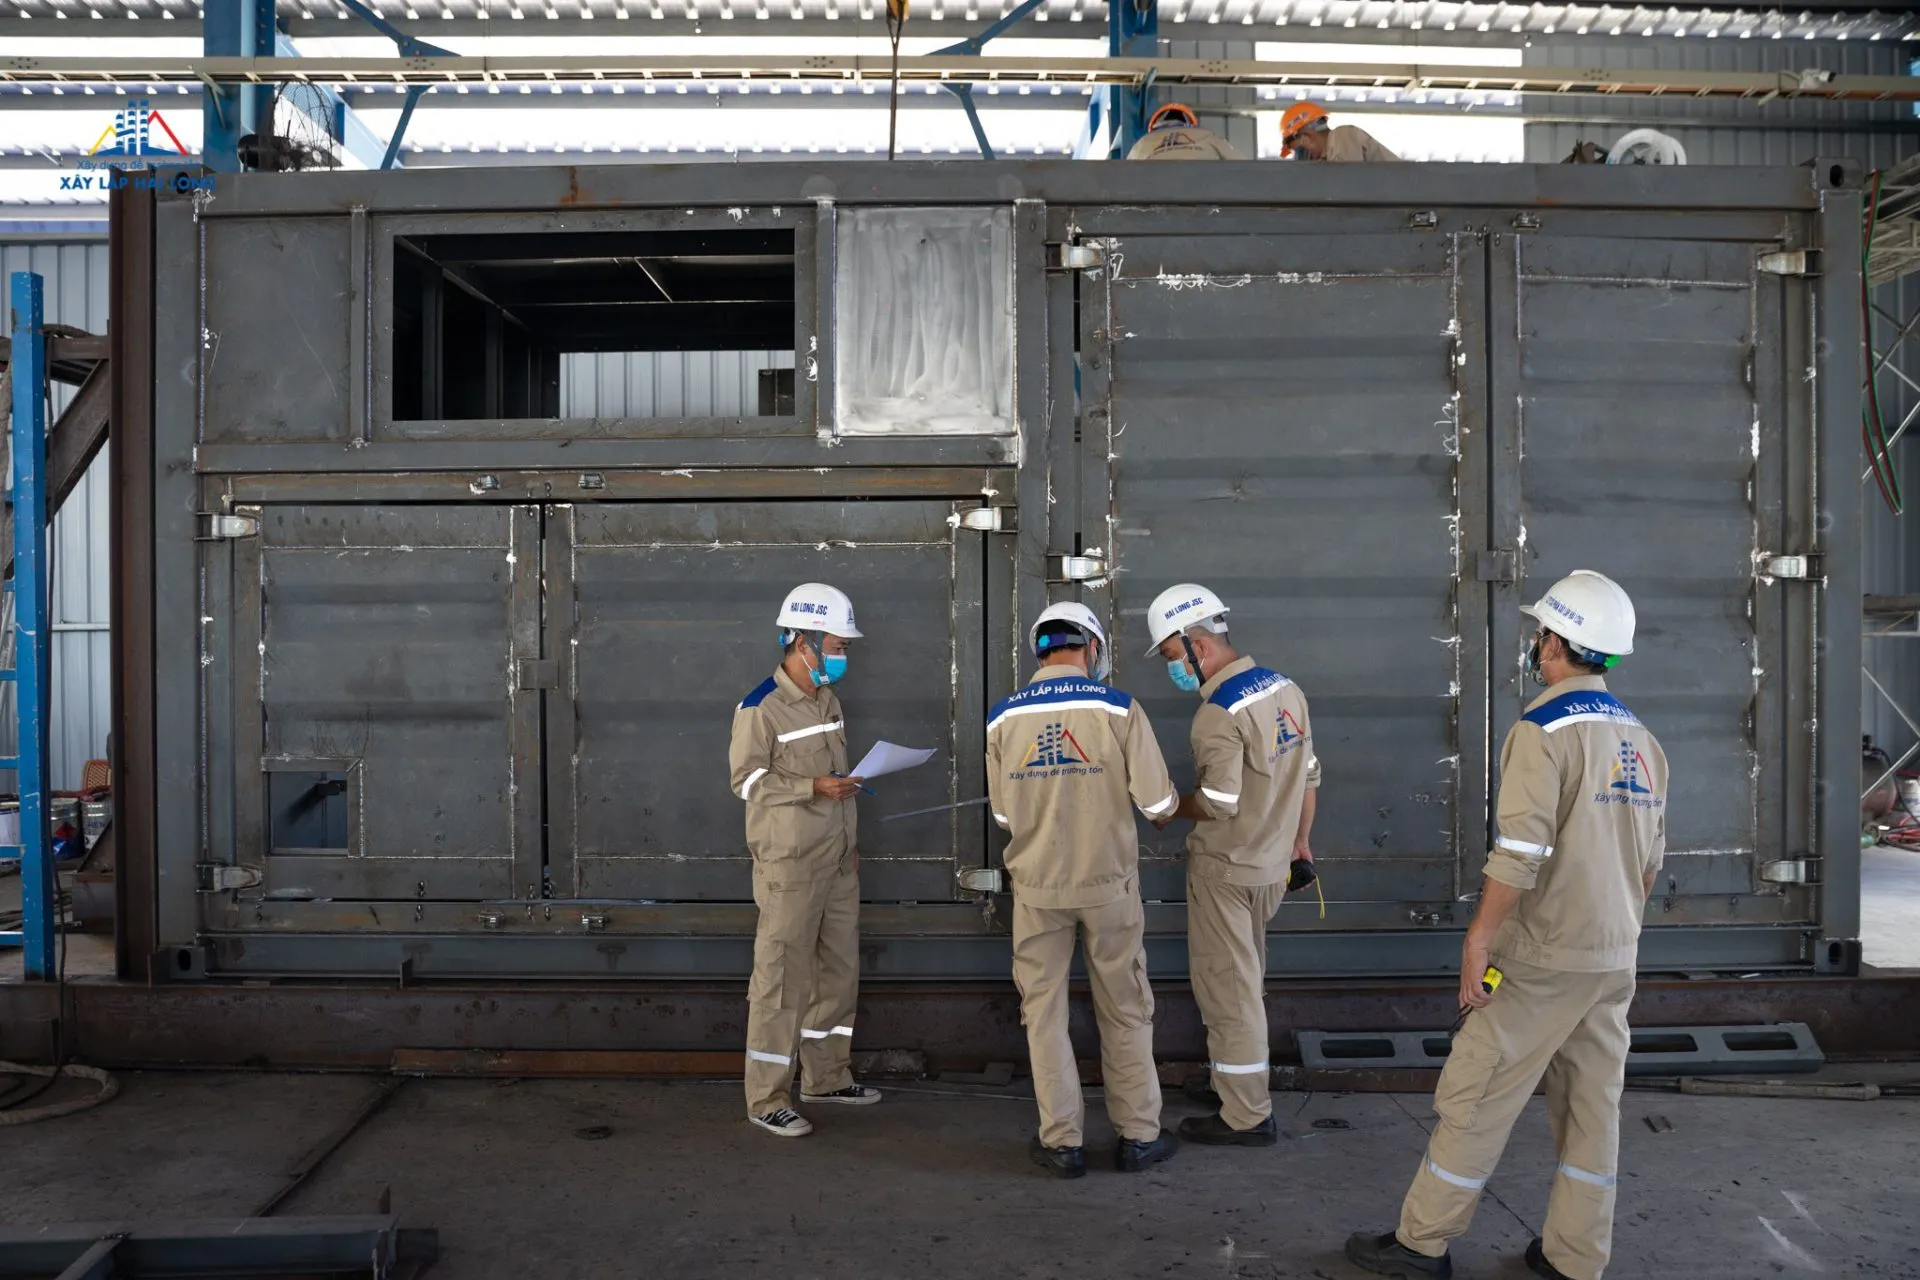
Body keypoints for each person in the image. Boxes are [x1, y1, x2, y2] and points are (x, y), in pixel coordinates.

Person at [1345, 571, 1668, 1280]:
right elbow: (1648, 864)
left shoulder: (1542, 729)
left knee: (1478, 1092)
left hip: (1541, 955)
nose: (1536, 645)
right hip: (1613, 958)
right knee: (1591, 1106)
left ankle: (1421, 1243)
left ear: (1555, 645)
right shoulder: (1641, 740)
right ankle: (1575, 1258)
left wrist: (1480, 939)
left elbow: (1520, 852)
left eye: (1541, 635)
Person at [986, 601, 1182, 1178]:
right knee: (1124, 1007)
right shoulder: (1118, 707)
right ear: (1091, 648)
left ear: (1041, 650)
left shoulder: (1003, 718)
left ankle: (1061, 1144)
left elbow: (1002, 814)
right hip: (1108, 888)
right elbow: (1158, 805)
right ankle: (1139, 1137)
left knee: (1042, 1013)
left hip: (1037, 888)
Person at [1142, 584, 1318, 1148]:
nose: (1173, 670)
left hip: (1228, 871)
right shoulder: (1285, 688)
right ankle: (1233, 1080)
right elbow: (1309, 777)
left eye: (1172, 657)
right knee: (1245, 984)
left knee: (1227, 993)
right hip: (1271, 868)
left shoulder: (1216, 715)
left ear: (1197, 643)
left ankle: (1245, 1116)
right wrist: (1300, 843)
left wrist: (1170, 808)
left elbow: (1219, 805)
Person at [728, 582, 882, 1138]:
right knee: (781, 981)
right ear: (803, 642)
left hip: (838, 862)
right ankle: (767, 1098)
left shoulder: (827, 700)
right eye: (837, 645)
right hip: (790, 868)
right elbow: (745, 781)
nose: (843, 656)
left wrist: (846, 825)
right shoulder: (760, 708)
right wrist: (812, 786)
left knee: (838, 975)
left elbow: (833, 781)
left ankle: (826, 1078)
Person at [1281, 101, 1400, 163]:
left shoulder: (1342, 135)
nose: (1301, 158)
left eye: (1299, 151)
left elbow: (1345, 184)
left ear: (1308, 138)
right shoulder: (1328, 158)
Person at [1126, 102, 1247, 161]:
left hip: (1154, 195)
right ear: (1190, 123)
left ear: (1154, 126)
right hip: (1204, 192)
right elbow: (1242, 165)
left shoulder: (1142, 143)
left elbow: (1124, 175)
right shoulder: (1208, 136)